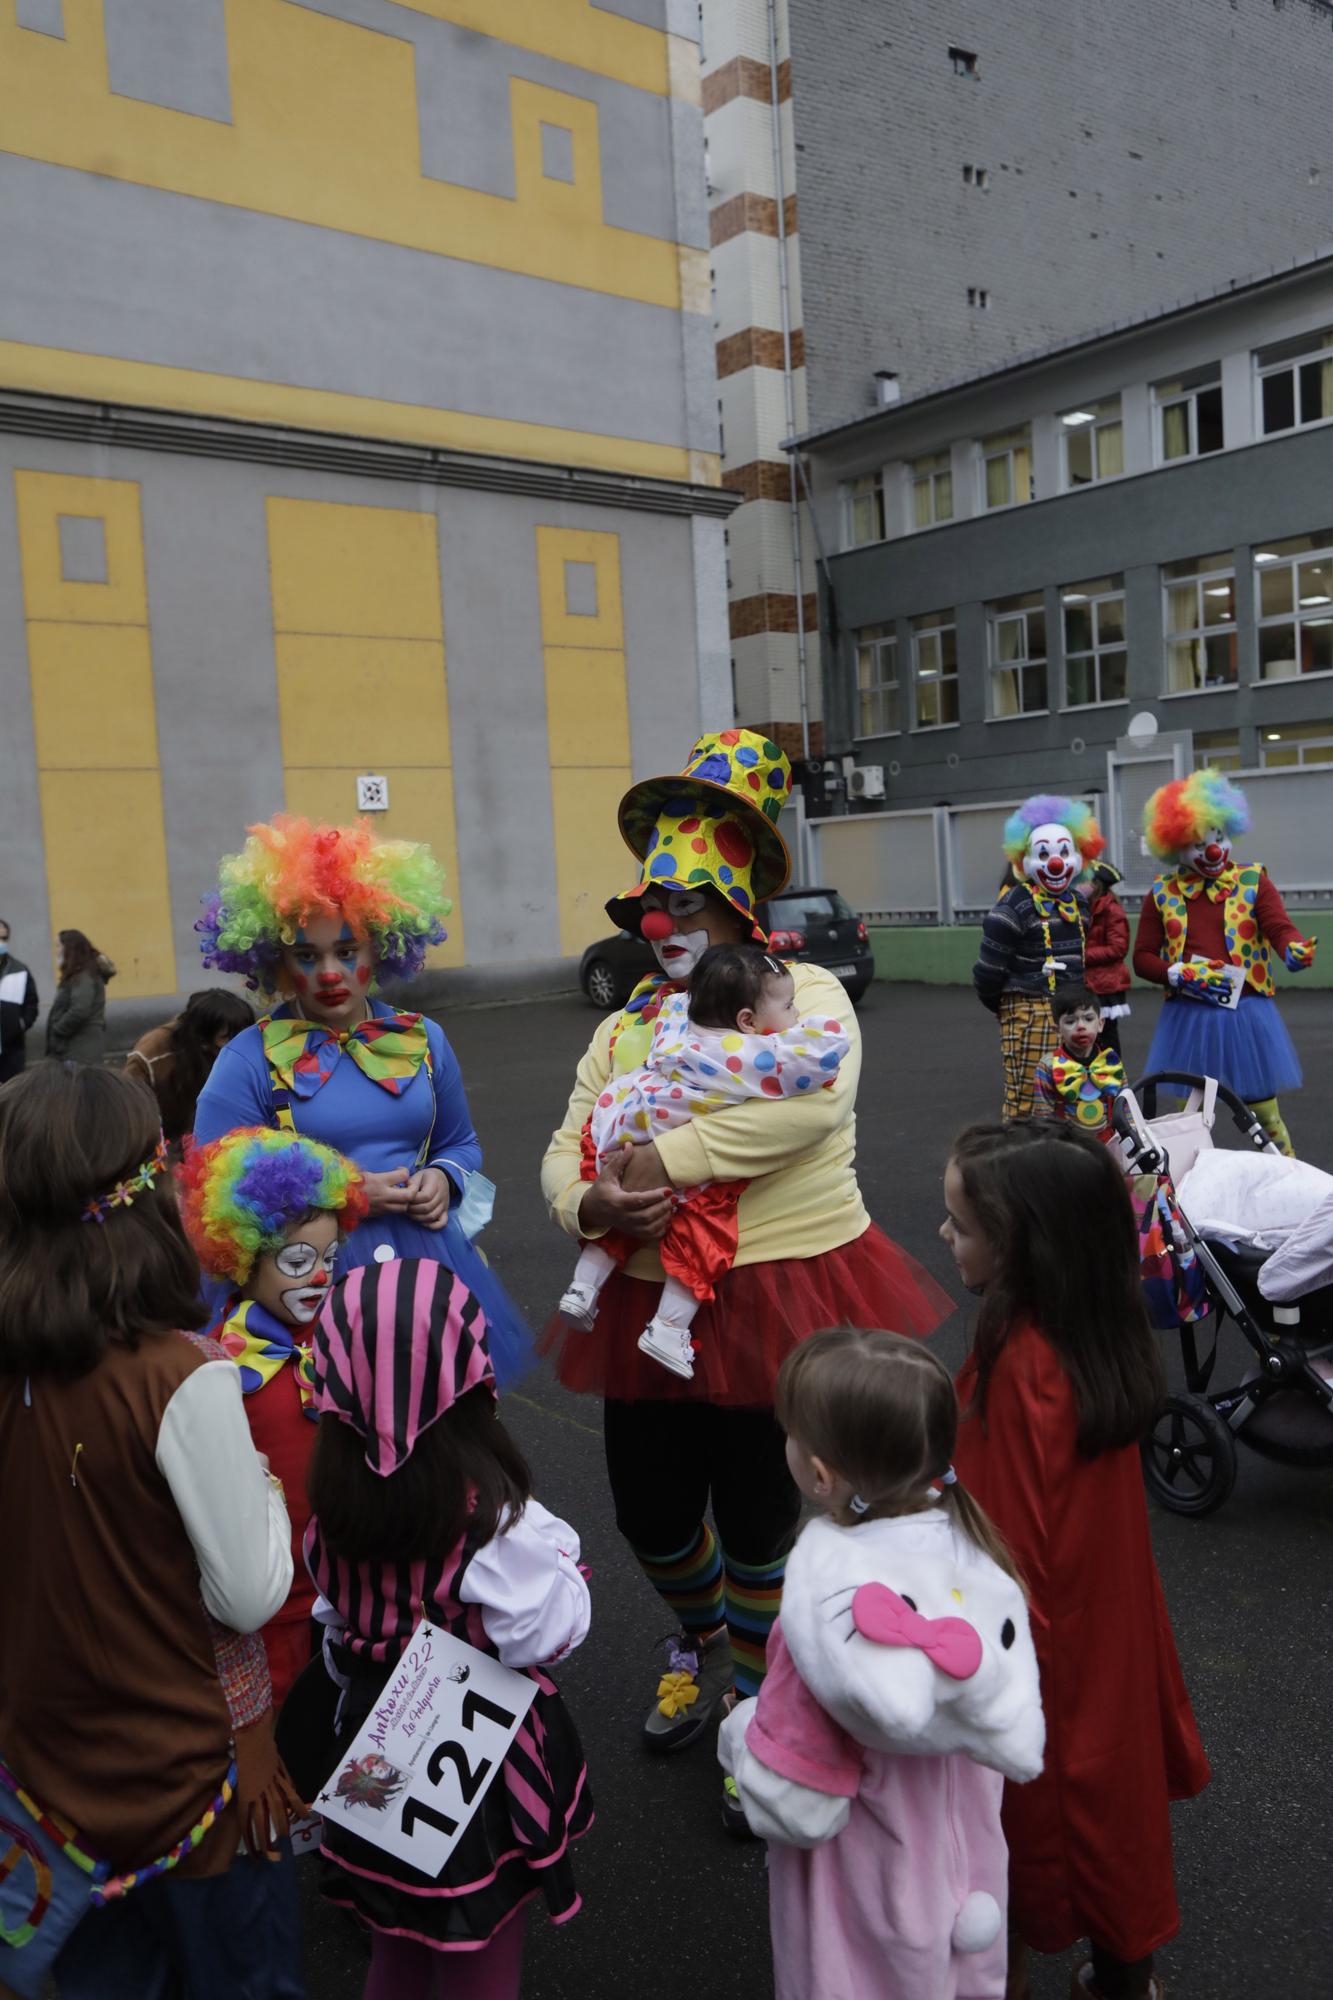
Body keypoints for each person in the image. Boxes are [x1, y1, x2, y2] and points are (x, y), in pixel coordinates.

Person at [540, 729, 951, 1823]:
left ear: (734, 903)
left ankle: (760, 1700)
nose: (664, 926)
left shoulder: (804, 988)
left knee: (766, 1512)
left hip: (778, 1285)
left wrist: (658, 1162)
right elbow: (567, 1134)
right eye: (649, 904)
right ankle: (702, 1632)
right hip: (640, 1295)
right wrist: (586, 1200)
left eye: (689, 901)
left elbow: (809, 1109)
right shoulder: (626, 1025)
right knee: (650, 1512)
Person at [0, 1064, 298, 1997]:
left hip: (45, 1774)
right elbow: (249, 1591)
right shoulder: (183, 1374)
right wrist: (263, 1482)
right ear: (141, 1192)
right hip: (189, 1780)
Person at [941, 1122, 1211, 2000]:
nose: (944, 1236)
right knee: (1114, 1803)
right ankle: (1127, 1976)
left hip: (1043, 1640)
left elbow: (1007, 1544)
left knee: (1028, 1822)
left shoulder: (1025, 1364)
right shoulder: (1090, 1326)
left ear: (1022, 1247)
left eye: (961, 1225)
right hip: (1110, 1616)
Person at [718, 1328, 1045, 2000]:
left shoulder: (819, 1611)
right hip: (965, 1866)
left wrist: (741, 1734)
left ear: (818, 1475)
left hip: (863, 1879)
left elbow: (797, 1805)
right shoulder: (976, 1563)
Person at [302, 1257, 593, 2000]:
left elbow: (332, 1621)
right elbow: (545, 1634)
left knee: (394, 1940)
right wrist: (561, 1559)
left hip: (374, 1731)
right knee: (476, 1948)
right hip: (476, 1752)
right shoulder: (490, 1519)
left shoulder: (331, 1508)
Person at [192, 814, 531, 1385]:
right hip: (307, 1282)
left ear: (383, 945)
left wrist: (444, 1178)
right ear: (276, 961)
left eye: (347, 950)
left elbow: (460, 1142)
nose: (330, 972)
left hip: (429, 1264)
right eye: (306, 955)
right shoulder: (248, 1060)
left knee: (438, 1422)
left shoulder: (424, 1038)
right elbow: (214, 1189)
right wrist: (341, 1193)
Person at [558, 943, 849, 1380]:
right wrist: (805, 1026)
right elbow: (822, 1059)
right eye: (788, 1006)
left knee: (622, 1219)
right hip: (667, 1149)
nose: (794, 1013)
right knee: (703, 1234)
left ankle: (582, 1288)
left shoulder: (674, 1019)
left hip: (613, 1130)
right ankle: (669, 1328)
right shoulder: (745, 1057)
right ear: (747, 1021)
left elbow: (681, 1000)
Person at [178, 1125, 368, 1705]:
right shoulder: (219, 1363)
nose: (318, 1275)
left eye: (329, 1258)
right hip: (276, 1593)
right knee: (283, 1715)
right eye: (297, 1260)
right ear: (240, 1258)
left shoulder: (352, 1331)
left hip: (358, 1576)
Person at [1133, 769, 1317, 1156]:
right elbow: (1142, 958)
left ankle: (1287, 1180)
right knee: (1194, 1122)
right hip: (1190, 1019)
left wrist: (1293, 950)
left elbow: (1279, 927)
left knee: (1265, 1117)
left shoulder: (1253, 880)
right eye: (1199, 844)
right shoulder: (1162, 893)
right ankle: (1199, 1190)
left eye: (1220, 838)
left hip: (1247, 1017)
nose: (1214, 851)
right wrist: (1177, 972)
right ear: (1176, 845)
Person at [973, 796, 1105, 1122]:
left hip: (1072, 1013)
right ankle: (1018, 1169)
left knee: (1072, 1096)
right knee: (1028, 1102)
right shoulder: (1011, 909)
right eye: (1044, 854)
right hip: (1028, 1012)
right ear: (1025, 861)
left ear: (1078, 856)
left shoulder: (1079, 904)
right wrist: (1008, 1007)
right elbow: (987, 973)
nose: (1055, 863)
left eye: (1063, 852)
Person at [126, 987, 256, 1145]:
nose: (239, 1045)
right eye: (227, 1038)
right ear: (203, 1041)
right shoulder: (152, 1057)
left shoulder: (252, 1048)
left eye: (244, 1035)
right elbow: (130, 1118)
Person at [1032, 983, 1126, 1138]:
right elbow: (1043, 1117)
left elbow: (1125, 1107)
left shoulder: (1110, 1062)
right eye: (1070, 1022)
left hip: (1109, 1144)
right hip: (1067, 1147)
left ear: (1100, 1024)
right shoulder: (1048, 1065)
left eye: (1088, 1019)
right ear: (1057, 1030)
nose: (1081, 1026)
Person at [44, 929, 115, 1066]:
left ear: (70, 949)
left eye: (59, 946)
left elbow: (80, 1010)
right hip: (75, 1050)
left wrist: (58, 1029)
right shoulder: (79, 974)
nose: (56, 951)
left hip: (78, 1052)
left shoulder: (83, 976)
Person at [1083, 861, 1132, 1053]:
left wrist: (1082, 956)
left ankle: (1114, 1078)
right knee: (1087, 1037)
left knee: (1106, 1038)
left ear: (1097, 884)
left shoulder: (1112, 910)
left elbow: (1118, 948)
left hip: (1105, 986)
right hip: (1090, 983)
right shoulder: (1085, 906)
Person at [0, 916, 40, 1084]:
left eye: (4, 938)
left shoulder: (20, 970)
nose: (1, 942)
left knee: (12, 1094)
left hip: (12, 1049)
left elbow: (32, 1004)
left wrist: (21, 1024)